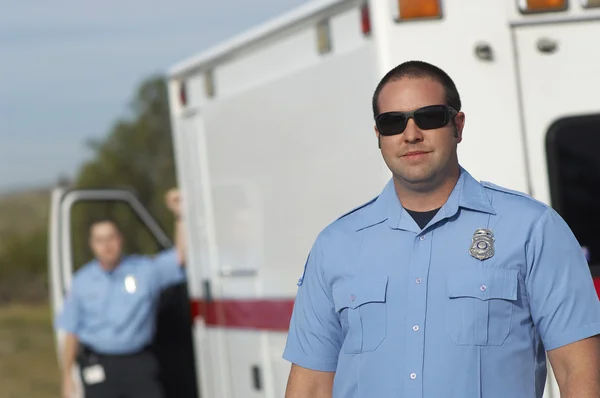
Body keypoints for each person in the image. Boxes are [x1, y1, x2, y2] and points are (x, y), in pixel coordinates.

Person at [282, 61, 600, 398]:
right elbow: (312, 386)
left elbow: (580, 372)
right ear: (379, 136)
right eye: (392, 123)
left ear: (458, 126)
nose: (411, 134)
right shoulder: (335, 246)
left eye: (429, 116)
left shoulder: (533, 229)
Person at [56, 188, 186, 398]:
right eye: (100, 240)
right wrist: (66, 376)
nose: (106, 245)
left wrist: (181, 215)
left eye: (111, 238)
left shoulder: (145, 270)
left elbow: (180, 258)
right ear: (92, 245)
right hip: (99, 364)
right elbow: (71, 332)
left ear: (120, 240)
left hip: (138, 363)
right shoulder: (81, 282)